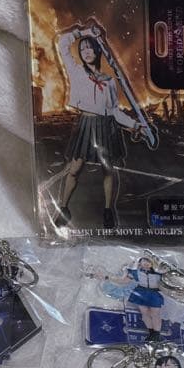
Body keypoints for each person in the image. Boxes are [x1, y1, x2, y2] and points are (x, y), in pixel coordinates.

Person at [53, 27, 141, 230]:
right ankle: (63, 209)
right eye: (82, 49)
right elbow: (62, 44)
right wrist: (83, 32)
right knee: (74, 170)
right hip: (86, 124)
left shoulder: (109, 82)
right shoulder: (76, 71)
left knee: (108, 170)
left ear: (97, 51)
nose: (86, 52)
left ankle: (108, 211)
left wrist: (135, 125)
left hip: (106, 126)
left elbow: (114, 111)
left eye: (89, 48)